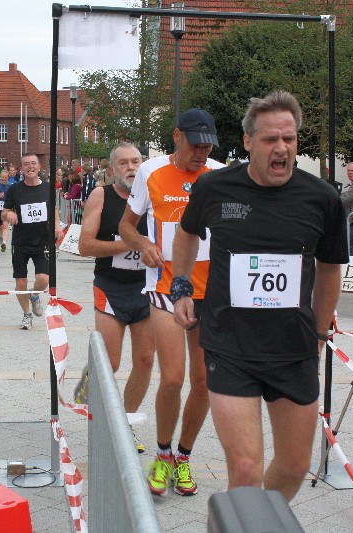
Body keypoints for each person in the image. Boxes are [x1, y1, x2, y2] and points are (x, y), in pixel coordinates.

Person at [171, 91, 347, 501]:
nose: (281, 148)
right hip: (230, 345)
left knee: (295, 466)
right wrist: (181, 287)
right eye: (270, 139)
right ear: (248, 142)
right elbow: (186, 233)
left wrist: (320, 333)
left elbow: (329, 268)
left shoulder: (322, 198)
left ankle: (251, 520)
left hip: (293, 347)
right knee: (247, 468)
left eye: (289, 138)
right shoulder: (215, 187)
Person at [119, 107, 224, 497]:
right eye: (195, 146)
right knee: (173, 378)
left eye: (208, 147)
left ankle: (183, 456)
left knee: (204, 382)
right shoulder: (151, 172)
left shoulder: (219, 174)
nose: (201, 154)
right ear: (178, 136)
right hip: (164, 289)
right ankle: (162, 454)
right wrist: (144, 244)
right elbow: (125, 226)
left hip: (211, 292)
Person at [75, 142, 154, 453]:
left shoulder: (153, 196)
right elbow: (85, 246)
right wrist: (133, 243)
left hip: (146, 287)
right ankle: (90, 378)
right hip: (111, 286)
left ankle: (124, 423)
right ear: (112, 169)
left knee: (146, 361)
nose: (131, 168)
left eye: (136, 161)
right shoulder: (101, 195)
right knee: (111, 361)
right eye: (124, 163)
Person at [2, 153, 63, 330]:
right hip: (21, 241)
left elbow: (53, 209)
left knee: (44, 278)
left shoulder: (48, 188)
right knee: (21, 282)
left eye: (33, 163)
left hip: (43, 240)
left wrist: (57, 226)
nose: (30, 167)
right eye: (26, 164)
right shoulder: (14, 190)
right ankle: (27, 314)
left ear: (39, 167)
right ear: (21, 169)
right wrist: (9, 214)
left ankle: (35, 295)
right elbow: (4, 213)